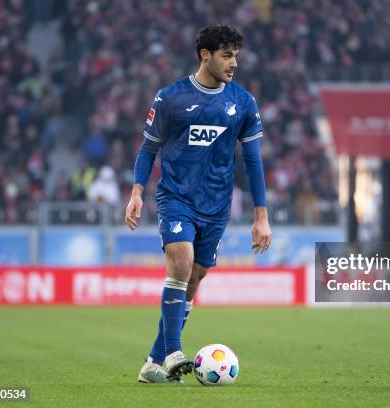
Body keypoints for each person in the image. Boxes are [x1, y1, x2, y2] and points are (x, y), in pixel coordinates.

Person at [125, 25, 272, 383]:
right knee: (181, 260)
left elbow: (253, 161)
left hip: (217, 206)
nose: (234, 62)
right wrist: (136, 192)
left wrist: (260, 217)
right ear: (205, 55)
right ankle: (175, 352)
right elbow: (148, 149)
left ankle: (153, 360)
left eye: (236, 54)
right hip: (176, 199)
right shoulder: (170, 98)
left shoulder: (243, 102)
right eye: (226, 54)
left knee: (195, 278)